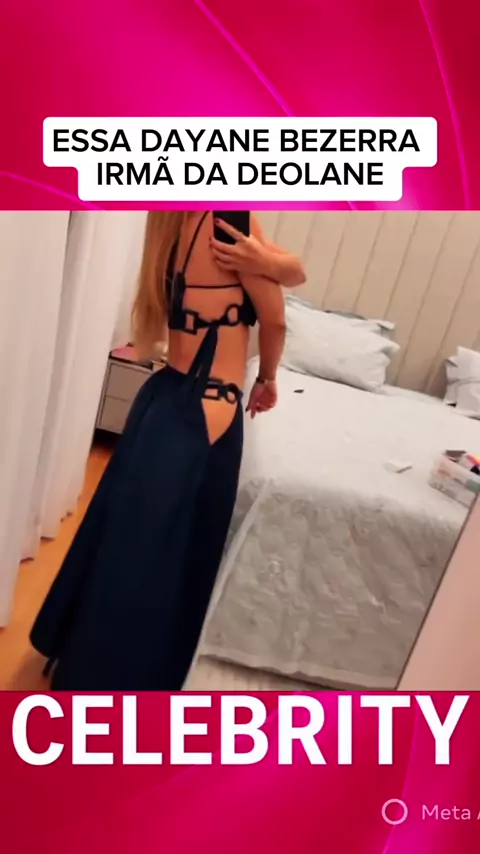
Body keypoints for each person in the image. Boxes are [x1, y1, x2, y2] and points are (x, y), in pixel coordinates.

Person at [29, 211, 306, 690]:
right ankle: (117, 684)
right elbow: (276, 319)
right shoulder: (226, 218)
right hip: (210, 406)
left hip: (164, 398)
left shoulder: (168, 223)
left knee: (128, 540)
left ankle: (82, 661)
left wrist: (270, 263)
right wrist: (267, 378)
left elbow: (293, 271)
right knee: (173, 558)